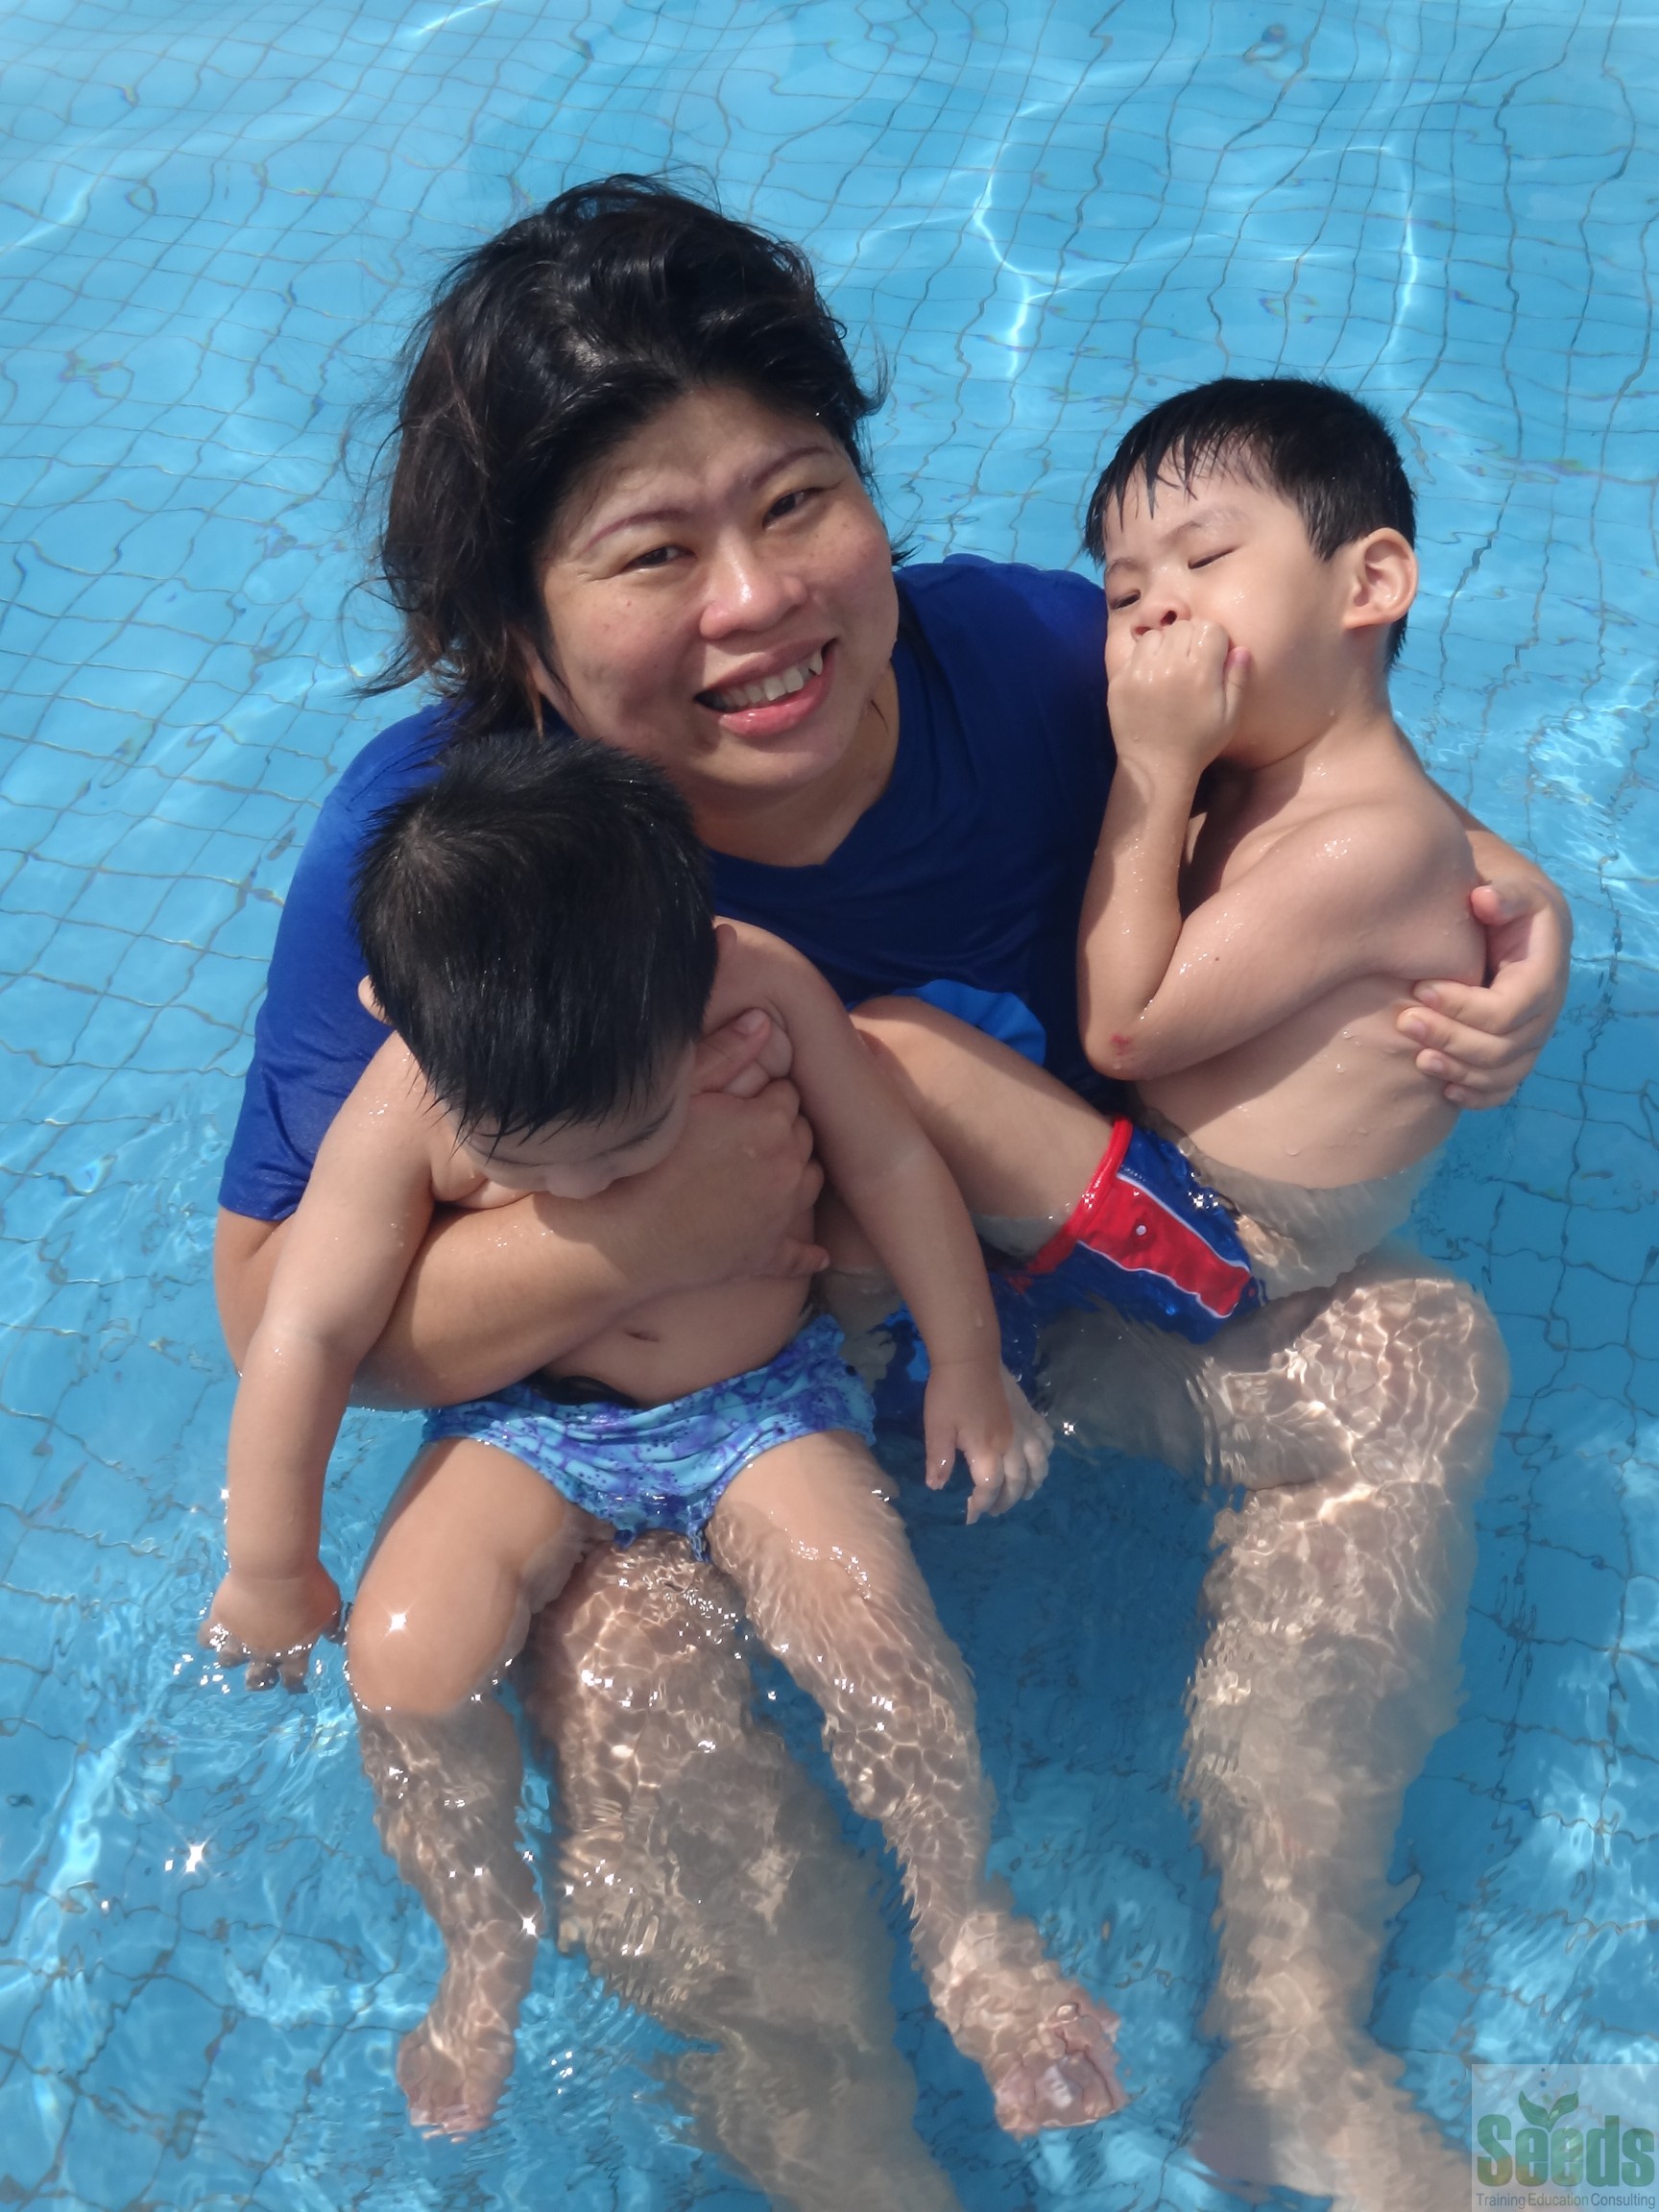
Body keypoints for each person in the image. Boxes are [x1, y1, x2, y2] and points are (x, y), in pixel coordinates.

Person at [211, 179, 1570, 2202]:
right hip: (658, 1408)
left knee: (1414, 1362)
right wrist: (645, 1235)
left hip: (1007, 1327)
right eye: (653, 553)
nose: (761, 602)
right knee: (627, 1681)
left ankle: (1289, 2046)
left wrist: (1510, 909)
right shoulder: (463, 863)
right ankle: (854, 2160)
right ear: (518, 640)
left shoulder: (1027, 661)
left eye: (799, 501)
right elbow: (282, 1309)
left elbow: (1339, 755)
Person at [204, 732, 1123, 2143]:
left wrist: (966, 1361)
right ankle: (481, 1948)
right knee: (401, 1659)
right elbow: (308, 1335)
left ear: (690, 966)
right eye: (527, 1166)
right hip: (527, 1424)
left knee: (875, 1630)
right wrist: (272, 1566)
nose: (589, 1188)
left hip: (760, 1402)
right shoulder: (411, 1085)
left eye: (632, 1142)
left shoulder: (751, 986)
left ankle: (967, 1920)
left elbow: (891, 1157)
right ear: (399, 1015)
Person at [851, 378, 1512, 2207]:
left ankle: (1285, 2055)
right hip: (1173, 1235)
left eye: (1203, 562)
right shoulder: (1293, 786)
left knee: (896, 1048)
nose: (1150, 616)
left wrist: (1149, 778)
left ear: (1370, 580)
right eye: (1125, 584)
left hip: (1218, 1254)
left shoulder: (1351, 834)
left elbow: (1132, 1019)